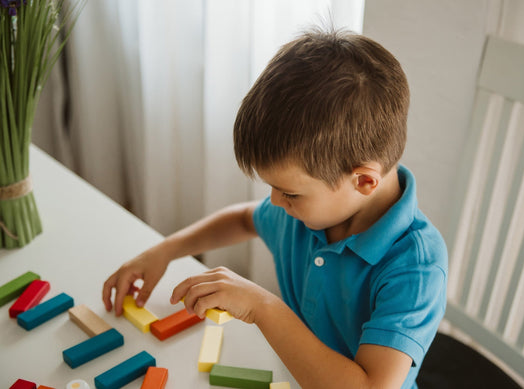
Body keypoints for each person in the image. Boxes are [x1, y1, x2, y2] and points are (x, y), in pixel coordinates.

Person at [102, 26, 447, 389]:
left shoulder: (416, 268)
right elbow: (243, 220)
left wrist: (261, 306)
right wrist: (165, 251)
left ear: (363, 181)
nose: (275, 202)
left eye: (290, 193)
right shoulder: (306, 213)